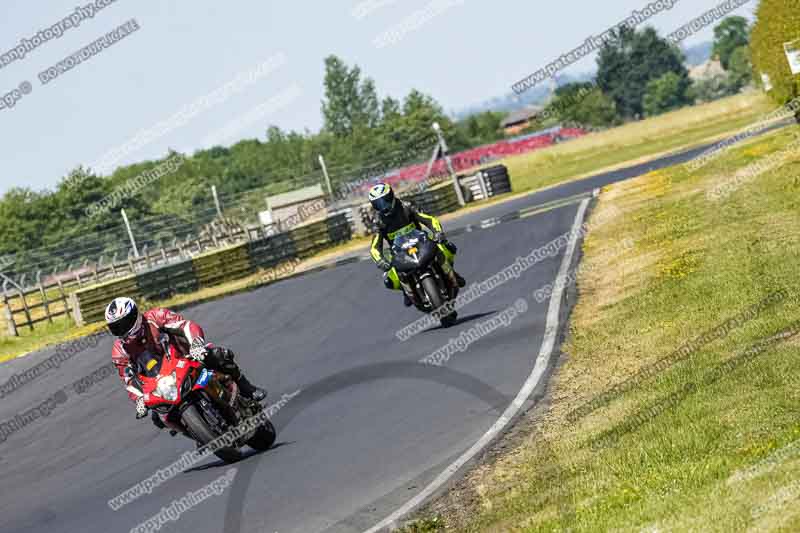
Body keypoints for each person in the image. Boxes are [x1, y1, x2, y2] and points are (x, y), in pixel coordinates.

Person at [106, 297, 266, 428]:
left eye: (124, 324)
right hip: (160, 382)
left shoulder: (155, 317)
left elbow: (185, 325)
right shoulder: (120, 350)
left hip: (188, 356)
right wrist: (139, 399)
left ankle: (247, 388)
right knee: (158, 418)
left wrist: (196, 344)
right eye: (116, 327)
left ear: (135, 315)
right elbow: (128, 380)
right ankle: (197, 431)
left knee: (218, 355)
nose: (122, 330)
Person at [368, 183, 465, 307]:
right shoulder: (377, 221)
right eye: (378, 204)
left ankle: (452, 274)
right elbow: (375, 245)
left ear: (391, 196)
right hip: (399, 250)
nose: (383, 206)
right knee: (390, 278)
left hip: (421, 241)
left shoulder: (407, 205)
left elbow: (429, 219)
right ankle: (407, 291)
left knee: (446, 247)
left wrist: (438, 232)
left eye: (385, 201)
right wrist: (379, 260)